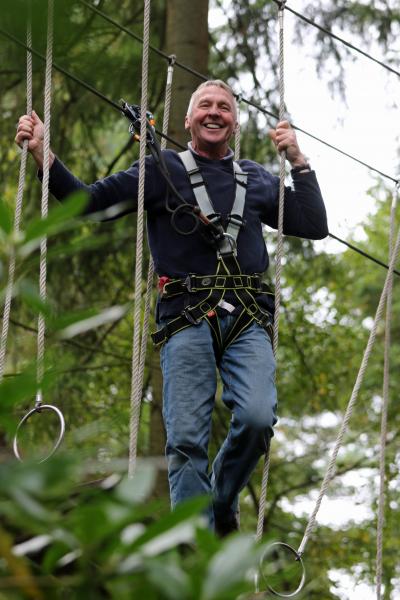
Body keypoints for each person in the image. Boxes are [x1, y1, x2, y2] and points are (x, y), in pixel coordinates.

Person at [15, 80, 328, 536]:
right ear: (188, 120)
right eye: (205, 105)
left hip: (246, 317)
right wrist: (44, 154)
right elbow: (89, 203)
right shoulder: (161, 170)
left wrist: (298, 161)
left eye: (224, 106)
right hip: (185, 316)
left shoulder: (257, 178)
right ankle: (194, 545)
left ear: (235, 122)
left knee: (259, 418)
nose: (214, 112)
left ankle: (220, 500)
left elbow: (314, 225)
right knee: (185, 442)